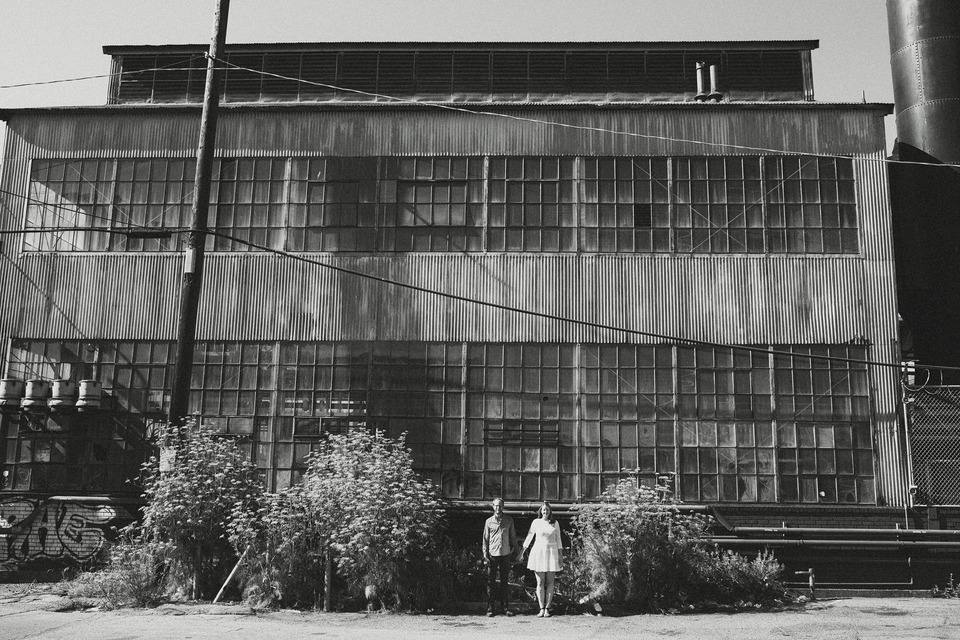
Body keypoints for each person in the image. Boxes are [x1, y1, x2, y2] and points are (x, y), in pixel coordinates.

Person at [522, 501, 563, 617]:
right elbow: (529, 537)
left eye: (547, 510)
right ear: (541, 511)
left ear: (550, 512)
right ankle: (541, 608)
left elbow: (558, 540)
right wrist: (522, 551)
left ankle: (547, 609)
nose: (545, 512)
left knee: (550, 582)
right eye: (544, 510)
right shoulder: (536, 522)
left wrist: (560, 556)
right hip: (539, 553)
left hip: (552, 553)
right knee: (540, 582)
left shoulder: (555, 523)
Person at [482, 497, 518, 617]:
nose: (498, 508)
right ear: (493, 507)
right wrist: (485, 554)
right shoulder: (489, 522)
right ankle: (490, 609)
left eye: (500, 506)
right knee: (490, 582)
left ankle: (505, 608)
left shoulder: (508, 520)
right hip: (493, 555)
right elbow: (485, 539)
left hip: (505, 554)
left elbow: (513, 537)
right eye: (496, 506)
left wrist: (517, 552)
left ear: (503, 506)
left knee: (504, 582)